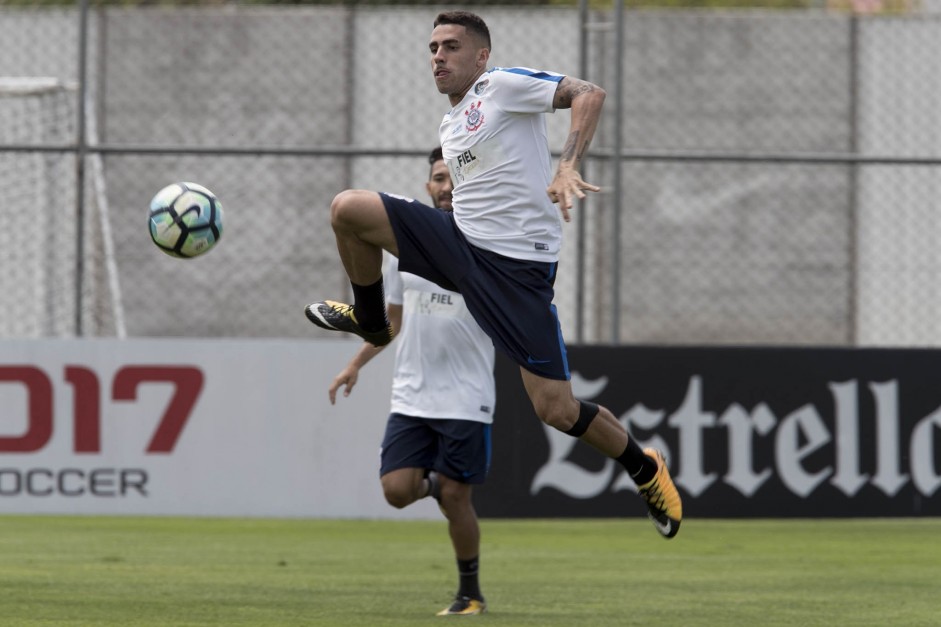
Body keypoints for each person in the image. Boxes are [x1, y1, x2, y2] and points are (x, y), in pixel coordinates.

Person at [307, 10, 682, 544]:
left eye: (452, 46)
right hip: (460, 246)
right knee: (348, 209)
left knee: (556, 409)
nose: (438, 55)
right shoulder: (451, 122)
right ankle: (369, 320)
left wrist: (567, 164)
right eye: (433, 47)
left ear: (481, 55)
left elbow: (590, 94)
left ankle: (644, 468)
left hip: (515, 274)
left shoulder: (501, 85)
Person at [327, 148, 493, 617]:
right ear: (428, 188)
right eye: (439, 178)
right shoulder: (408, 253)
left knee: (458, 499)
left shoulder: (486, 243)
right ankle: (436, 485)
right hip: (412, 395)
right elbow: (391, 322)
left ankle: (470, 594)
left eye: (452, 178)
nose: (445, 185)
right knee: (397, 491)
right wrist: (356, 363)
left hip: (466, 396)